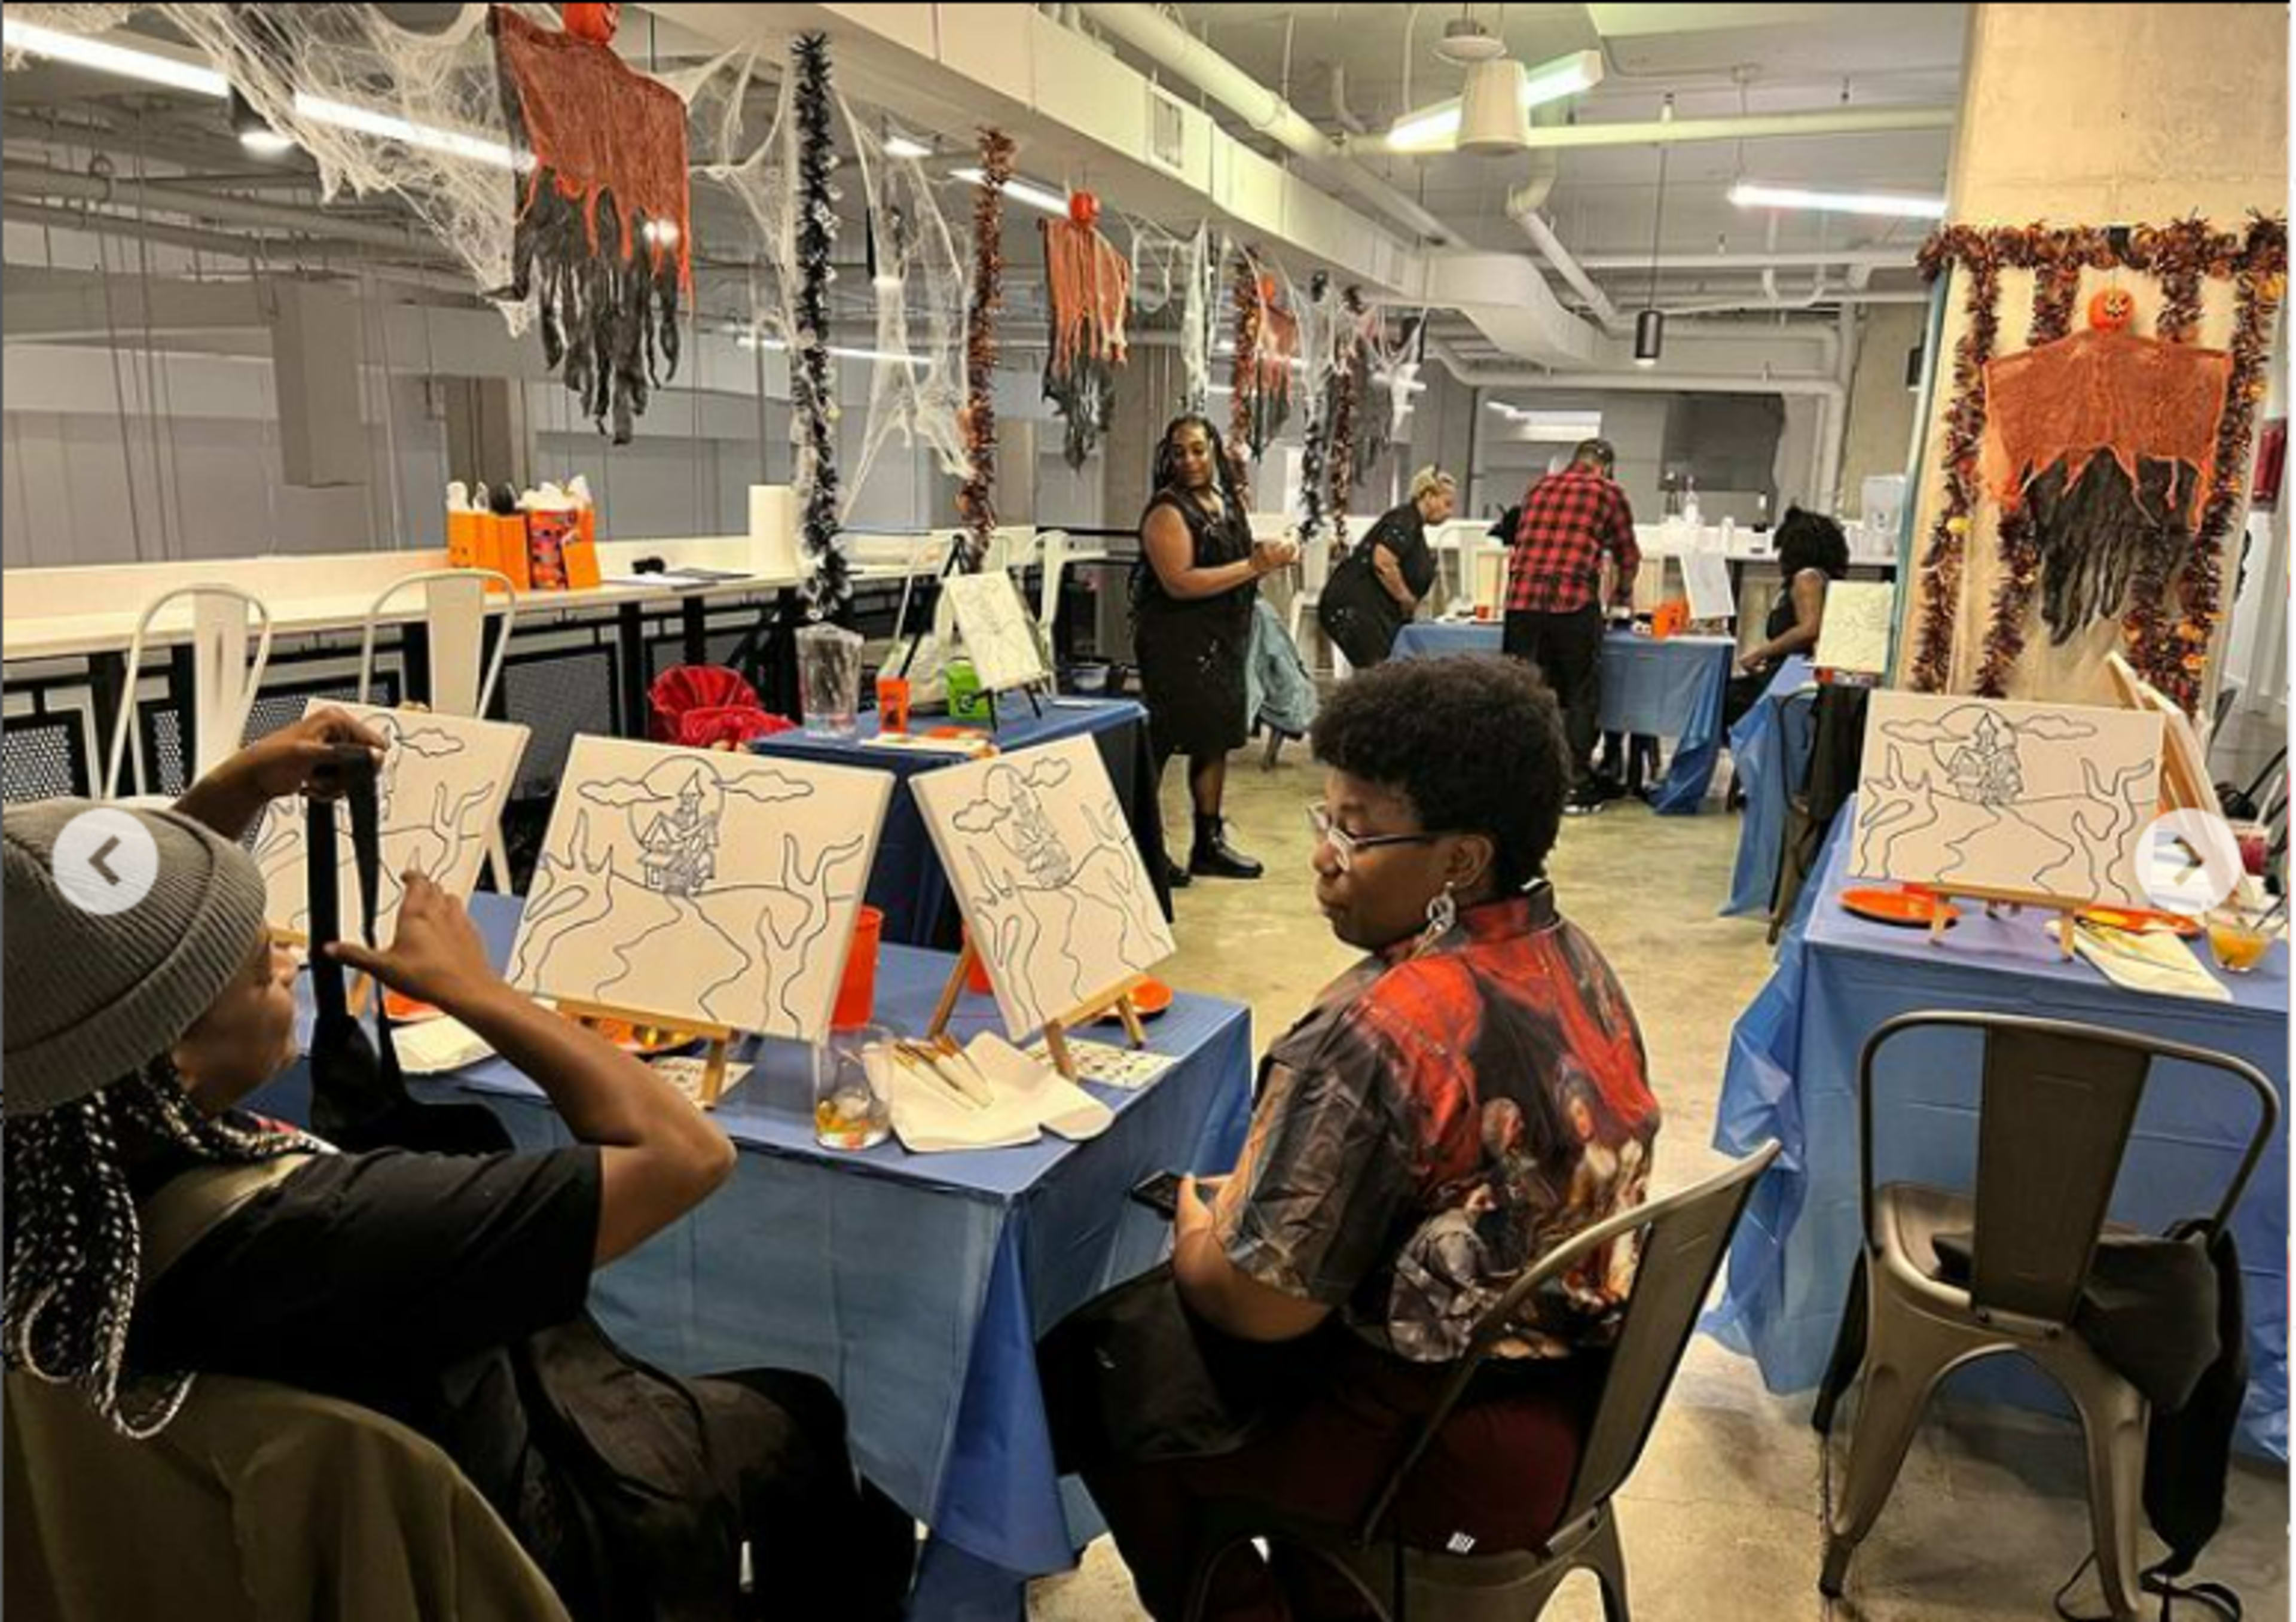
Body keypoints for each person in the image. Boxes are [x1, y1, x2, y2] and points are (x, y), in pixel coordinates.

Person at [1, 711, 915, 1622]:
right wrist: (476, 990)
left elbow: (97, 968)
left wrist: (237, 790)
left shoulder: (51, 1159)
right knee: (808, 1414)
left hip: (206, 1553)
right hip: (506, 1536)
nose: (286, 961)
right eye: (257, 968)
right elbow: (685, 1155)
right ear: (177, 1059)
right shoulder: (328, 1229)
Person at [1059, 655, 1661, 1622]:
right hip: (1576, 1398)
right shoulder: (1573, 957)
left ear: (1461, 860)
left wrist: (1195, 1225)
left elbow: (1258, 1306)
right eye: (1324, 816)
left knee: (1101, 1372)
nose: (1323, 852)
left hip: (1441, 1448)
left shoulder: (1377, 1033)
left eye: (1357, 829)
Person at [1134, 413, 1299, 885]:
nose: (1189, 460)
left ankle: (1209, 844)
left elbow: (1235, 562)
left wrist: (1271, 555)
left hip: (1223, 636)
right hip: (1177, 642)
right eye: (1180, 451)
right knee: (1162, 742)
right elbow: (1180, 582)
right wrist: (1254, 565)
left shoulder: (1224, 502)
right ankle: (1145, 850)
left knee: (1215, 737)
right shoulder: (1167, 510)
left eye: (1198, 449)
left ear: (1215, 452)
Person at [1502, 438, 1641, 816]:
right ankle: (1572, 783)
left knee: (1523, 692)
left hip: (1521, 602)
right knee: (1580, 693)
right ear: (1606, 467)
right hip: (1571, 602)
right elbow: (1628, 554)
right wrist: (1623, 596)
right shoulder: (1608, 492)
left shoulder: (1537, 488)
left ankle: (1520, 780)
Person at [1723, 505, 1852, 731]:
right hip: (1801, 674)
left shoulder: (1806, 579)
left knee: (1720, 700)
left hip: (1793, 676)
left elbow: (1810, 628)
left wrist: (1760, 653)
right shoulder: (1825, 579)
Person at [1315, 465, 1456, 667]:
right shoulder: (1404, 521)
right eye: (1447, 504)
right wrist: (1405, 597)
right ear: (1428, 496)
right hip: (1357, 606)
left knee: (1385, 670)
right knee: (1381, 671)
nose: (1449, 513)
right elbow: (1383, 562)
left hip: (1368, 608)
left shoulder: (1411, 526)